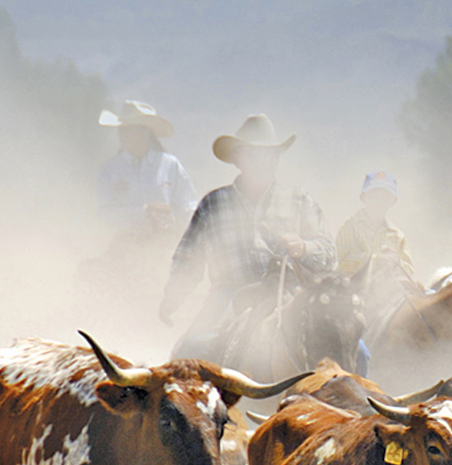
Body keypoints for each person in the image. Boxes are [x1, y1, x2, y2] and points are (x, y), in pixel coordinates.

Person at [159, 114, 335, 362]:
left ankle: (359, 401)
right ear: (238, 159)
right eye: (255, 155)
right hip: (229, 296)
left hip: (290, 295)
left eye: (271, 155)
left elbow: (329, 255)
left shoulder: (300, 200)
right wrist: (172, 297)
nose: (265, 162)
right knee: (187, 352)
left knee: (355, 350)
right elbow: (188, 259)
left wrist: (304, 247)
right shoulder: (214, 203)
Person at [336, 170, 418, 373]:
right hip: (355, 300)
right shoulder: (350, 227)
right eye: (374, 195)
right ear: (363, 198)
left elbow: (409, 270)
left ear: (392, 201)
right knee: (358, 350)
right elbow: (341, 264)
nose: (379, 200)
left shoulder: (397, 235)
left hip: (388, 299)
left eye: (385, 196)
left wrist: (397, 263)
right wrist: (374, 261)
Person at [96, 100, 197, 233]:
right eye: (123, 129)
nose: (125, 134)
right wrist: (144, 212)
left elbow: (188, 206)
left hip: (167, 241)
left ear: (146, 132)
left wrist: (176, 224)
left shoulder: (170, 165)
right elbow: (105, 213)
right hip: (126, 243)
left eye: (132, 129)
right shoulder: (109, 170)